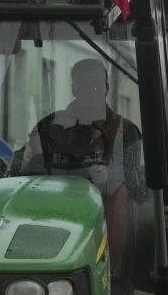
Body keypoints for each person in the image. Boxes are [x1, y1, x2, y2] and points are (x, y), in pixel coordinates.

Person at [20, 59, 145, 283]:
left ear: (106, 88)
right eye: (84, 86)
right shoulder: (48, 127)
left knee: (120, 193)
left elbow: (138, 186)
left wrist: (110, 178)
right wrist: (28, 159)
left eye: (96, 86)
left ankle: (113, 275)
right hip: (50, 203)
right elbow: (20, 170)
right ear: (73, 88)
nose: (91, 92)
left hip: (102, 210)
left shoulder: (125, 132)